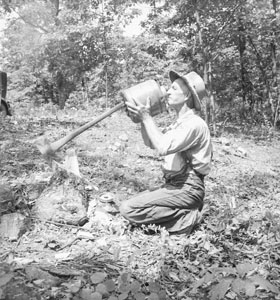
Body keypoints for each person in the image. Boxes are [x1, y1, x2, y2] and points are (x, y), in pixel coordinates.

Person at [119, 70, 212, 235]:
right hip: (174, 184)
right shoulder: (178, 124)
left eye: (174, 89)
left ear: (187, 96)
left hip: (188, 187)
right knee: (133, 202)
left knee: (128, 209)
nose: (168, 92)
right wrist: (143, 119)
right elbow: (151, 142)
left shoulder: (194, 124)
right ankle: (182, 213)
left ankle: (188, 219)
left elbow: (162, 147)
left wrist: (147, 117)